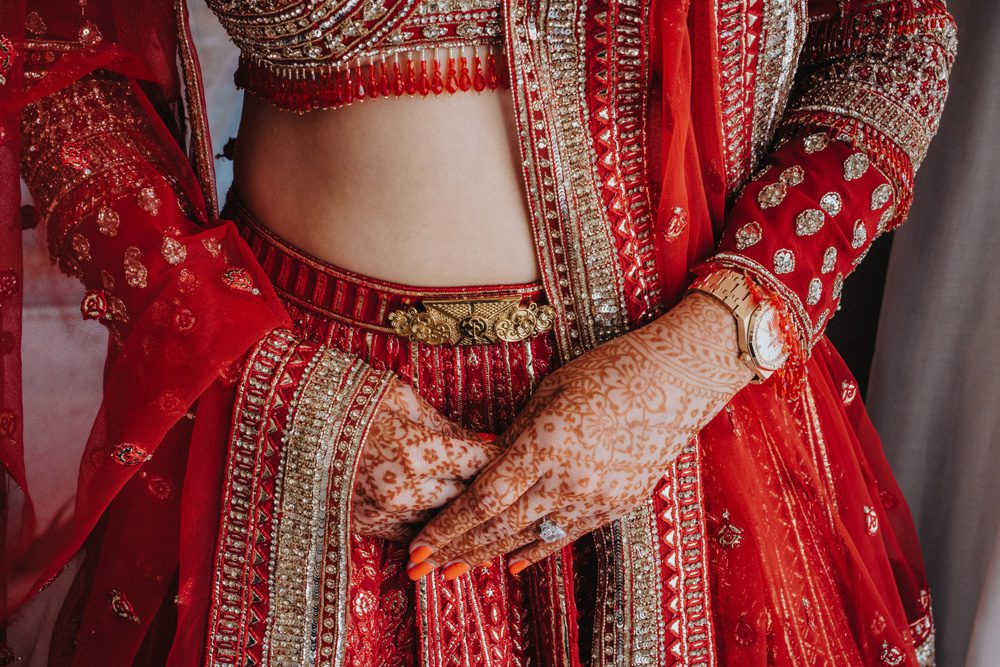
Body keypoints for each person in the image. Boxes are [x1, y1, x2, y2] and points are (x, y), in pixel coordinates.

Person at [0, 0, 955, 664]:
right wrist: (272, 381)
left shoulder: (684, 374)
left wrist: (694, 357)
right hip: (309, 425)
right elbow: (50, 60)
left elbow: (893, 37)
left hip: (683, 421)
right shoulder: (293, 400)